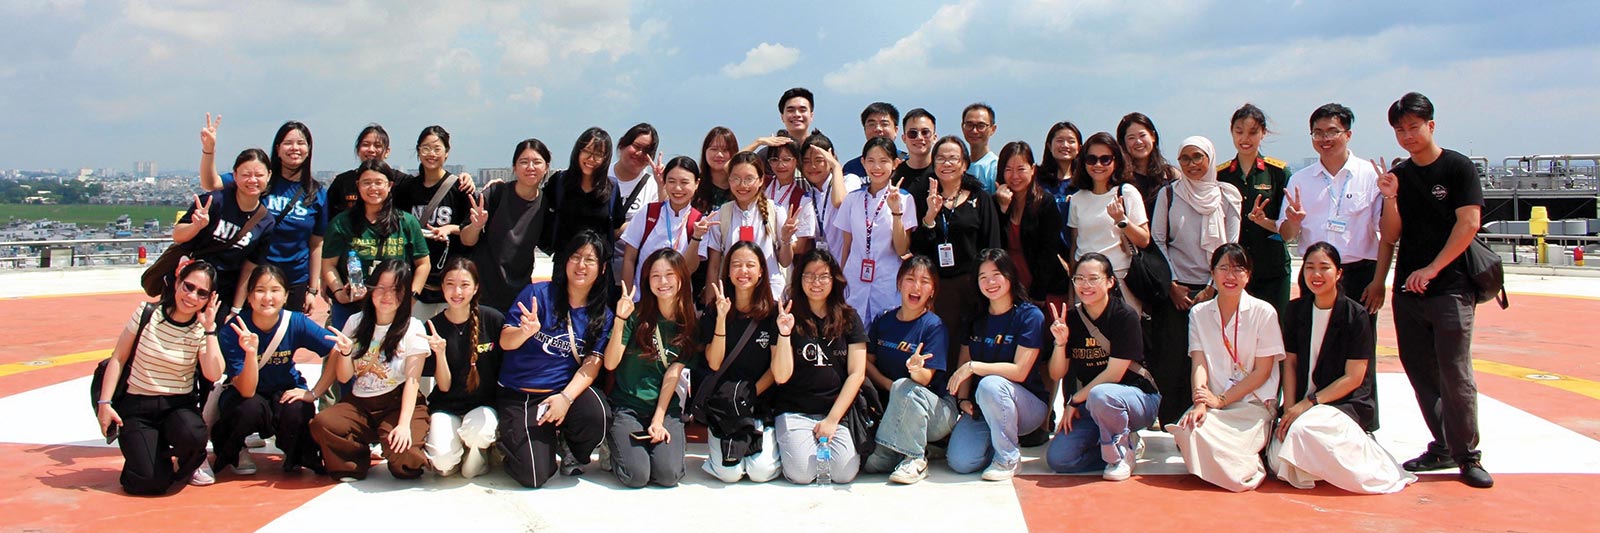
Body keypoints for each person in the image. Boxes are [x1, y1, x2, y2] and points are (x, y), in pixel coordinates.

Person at [1378, 92, 1493, 488]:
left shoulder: (1458, 168)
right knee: (1420, 370)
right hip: (1409, 292)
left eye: (1414, 126)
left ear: (1431, 125)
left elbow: (1469, 224)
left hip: (1451, 287)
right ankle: (1443, 444)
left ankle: (1468, 456)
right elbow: (1390, 235)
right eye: (1400, 129)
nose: (1407, 135)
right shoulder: (1402, 175)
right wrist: (1390, 198)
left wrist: (1431, 269)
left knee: (1455, 373)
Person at [1268, 242, 1416, 493]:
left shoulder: (1355, 315)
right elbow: (1290, 363)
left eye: (1324, 268)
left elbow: (1354, 377)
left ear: (1338, 273)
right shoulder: (1296, 310)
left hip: (1340, 404)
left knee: (1304, 432)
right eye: (1310, 267)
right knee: (1278, 455)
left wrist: (1309, 403)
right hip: (1303, 404)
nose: (1316, 274)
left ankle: (1360, 446)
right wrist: (1290, 409)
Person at [496, 231, 615, 488]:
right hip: (522, 395)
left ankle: (570, 446)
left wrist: (565, 398)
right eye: (575, 257)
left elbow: (591, 364)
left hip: (561, 394)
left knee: (598, 416)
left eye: (590, 260)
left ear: (603, 268)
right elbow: (505, 341)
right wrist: (525, 331)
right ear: (565, 261)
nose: (581, 265)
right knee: (535, 476)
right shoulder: (537, 294)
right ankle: (508, 437)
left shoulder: (602, 315)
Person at [95, 260, 225, 494]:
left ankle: (183, 462)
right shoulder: (146, 314)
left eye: (202, 293)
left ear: (210, 298)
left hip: (177, 407)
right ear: (177, 283)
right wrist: (104, 404)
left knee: (194, 434)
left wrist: (210, 329)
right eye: (188, 286)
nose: (192, 296)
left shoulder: (201, 329)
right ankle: (151, 457)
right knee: (150, 483)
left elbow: (213, 373)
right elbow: (118, 359)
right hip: (138, 407)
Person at [1165, 244, 1283, 492]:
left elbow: (1263, 372)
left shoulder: (1264, 312)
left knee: (1227, 456)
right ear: (1213, 272)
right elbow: (1198, 361)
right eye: (1224, 268)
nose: (1231, 276)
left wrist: (1221, 399)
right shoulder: (1199, 313)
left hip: (1253, 403)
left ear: (1248, 275)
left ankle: (1248, 463)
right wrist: (1200, 402)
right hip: (1214, 405)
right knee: (1191, 431)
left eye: (1239, 269)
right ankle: (1238, 459)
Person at [308, 260, 432, 482]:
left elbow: (413, 381)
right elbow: (344, 377)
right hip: (361, 403)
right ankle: (355, 459)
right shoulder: (355, 322)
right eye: (380, 288)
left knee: (406, 458)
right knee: (323, 423)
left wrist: (403, 425)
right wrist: (345, 354)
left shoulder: (413, 327)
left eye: (395, 290)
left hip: (397, 401)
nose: (386, 296)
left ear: (405, 294)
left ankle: (394, 442)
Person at [1149, 136, 1243, 424]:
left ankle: (1211, 414)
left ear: (1210, 158)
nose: (1191, 165)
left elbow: (1231, 245)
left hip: (1216, 289)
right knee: (1174, 356)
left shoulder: (1227, 195)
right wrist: (1173, 285)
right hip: (1178, 289)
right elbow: (1158, 240)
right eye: (1185, 158)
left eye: (1197, 157)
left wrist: (1213, 288)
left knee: (1211, 355)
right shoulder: (1169, 195)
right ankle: (1174, 419)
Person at [212, 265, 338, 477]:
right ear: (249, 297)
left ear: (286, 295)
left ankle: (294, 454)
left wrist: (314, 393)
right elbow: (246, 391)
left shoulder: (295, 321)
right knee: (247, 410)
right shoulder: (234, 329)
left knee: (298, 408)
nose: (267, 297)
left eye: (275, 290)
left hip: (283, 390)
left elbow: (335, 350)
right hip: (248, 393)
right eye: (260, 290)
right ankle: (235, 450)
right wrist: (250, 353)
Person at [1043, 253, 1160, 480]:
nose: (1086, 285)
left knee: (1102, 394)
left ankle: (1119, 454)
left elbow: (1114, 375)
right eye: (1079, 279)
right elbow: (1056, 373)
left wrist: (1075, 399)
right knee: (1059, 459)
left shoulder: (1124, 316)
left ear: (1110, 282)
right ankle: (1127, 444)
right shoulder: (1072, 318)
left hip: (1137, 399)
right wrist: (1060, 342)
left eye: (1093, 279)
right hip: (1094, 402)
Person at [199, 117, 327, 314]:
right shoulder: (259, 178)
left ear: (309, 149)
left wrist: (312, 289)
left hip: (293, 281)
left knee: (284, 341)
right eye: (288, 143)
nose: (295, 148)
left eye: (301, 143)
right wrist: (209, 150)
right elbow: (211, 183)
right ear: (277, 149)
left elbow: (316, 244)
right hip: (252, 277)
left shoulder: (316, 193)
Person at [1279, 103, 1394, 322]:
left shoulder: (1370, 176)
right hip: (1315, 273)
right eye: (1318, 133)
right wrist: (1294, 222)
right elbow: (1286, 234)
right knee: (1316, 344)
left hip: (1359, 274)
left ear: (1348, 134)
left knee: (1359, 344)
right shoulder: (1300, 180)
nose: (1325, 139)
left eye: (1332, 131)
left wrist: (1379, 282)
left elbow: (1387, 232)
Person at [944, 249, 1048, 481]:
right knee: (961, 462)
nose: (990, 282)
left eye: (996, 274)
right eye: (983, 277)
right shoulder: (975, 317)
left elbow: (1020, 372)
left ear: (1010, 275)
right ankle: (997, 442)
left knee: (991, 384)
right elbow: (963, 363)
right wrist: (962, 400)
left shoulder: (1029, 316)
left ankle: (1008, 458)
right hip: (984, 405)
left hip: (1026, 405)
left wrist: (975, 367)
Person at [771, 250, 869, 484]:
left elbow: (857, 373)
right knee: (802, 474)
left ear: (834, 279)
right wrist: (784, 333)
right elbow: (781, 376)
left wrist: (833, 420)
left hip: (836, 410)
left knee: (843, 474)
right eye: (809, 275)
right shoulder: (787, 315)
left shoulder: (849, 318)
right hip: (795, 410)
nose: (816, 282)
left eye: (823, 276)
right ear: (799, 278)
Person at [602, 249, 698, 488]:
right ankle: (614, 449)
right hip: (627, 406)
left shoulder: (688, 323)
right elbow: (610, 363)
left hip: (665, 409)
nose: (662, 282)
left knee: (668, 475)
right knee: (636, 476)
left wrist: (658, 419)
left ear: (681, 279)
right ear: (646, 280)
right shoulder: (634, 315)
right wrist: (620, 319)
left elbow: (673, 374)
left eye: (669, 274)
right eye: (655, 275)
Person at [861, 256, 955, 484]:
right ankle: (901, 449)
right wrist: (887, 384)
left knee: (906, 386)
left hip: (936, 411)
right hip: (893, 406)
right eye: (910, 279)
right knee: (872, 467)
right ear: (899, 283)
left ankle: (914, 458)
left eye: (925, 281)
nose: (916, 287)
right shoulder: (883, 320)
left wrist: (915, 370)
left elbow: (925, 379)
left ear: (932, 291)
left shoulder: (934, 326)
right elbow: (866, 362)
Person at [699, 241, 782, 483]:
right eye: (736, 264)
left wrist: (750, 394)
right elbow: (714, 363)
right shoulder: (715, 310)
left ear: (761, 272)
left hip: (759, 402)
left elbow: (775, 369)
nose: (742, 271)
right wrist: (722, 319)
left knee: (761, 472)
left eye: (749, 265)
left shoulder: (774, 313)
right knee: (729, 474)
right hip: (723, 405)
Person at [913, 136, 1002, 349]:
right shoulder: (924, 198)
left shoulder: (980, 198)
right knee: (941, 343)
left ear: (964, 164)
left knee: (973, 343)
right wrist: (930, 217)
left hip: (973, 284)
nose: (946, 164)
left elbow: (992, 244)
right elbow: (917, 248)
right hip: (939, 287)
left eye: (953, 158)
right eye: (940, 158)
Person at [320, 159, 430, 330]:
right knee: (347, 353)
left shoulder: (406, 222)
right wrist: (339, 292)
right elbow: (329, 264)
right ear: (358, 185)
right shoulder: (341, 223)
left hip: (392, 306)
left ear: (390, 185)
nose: (373, 188)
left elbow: (423, 263)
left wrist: (411, 296)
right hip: (352, 307)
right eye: (367, 183)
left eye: (379, 182)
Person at [421, 258, 505, 479]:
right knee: (444, 465)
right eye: (450, 284)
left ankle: (479, 453)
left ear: (476, 287)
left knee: (477, 438)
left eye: (464, 285)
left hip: (483, 406)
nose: (456, 291)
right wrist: (439, 352)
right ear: (442, 287)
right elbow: (444, 385)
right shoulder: (433, 326)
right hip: (447, 406)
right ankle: (458, 448)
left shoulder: (492, 319)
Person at [174, 148, 278, 323]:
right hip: (189, 284)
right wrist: (196, 226)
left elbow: (249, 268)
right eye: (246, 174)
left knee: (210, 342)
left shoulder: (266, 222)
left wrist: (236, 308)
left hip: (222, 293)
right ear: (235, 175)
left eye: (258, 175)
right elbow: (177, 235)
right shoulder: (214, 201)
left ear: (268, 176)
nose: (252, 180)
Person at [702, 151, 808, 302]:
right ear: (729, 180)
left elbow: (785, 262)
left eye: (749, 179)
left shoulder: (776, 212)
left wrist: (786, 240)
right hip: (733, 298)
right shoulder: (721, 215)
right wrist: (710, 304)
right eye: (736, 179)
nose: (742, 185)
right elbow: (714, 265)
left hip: (771, 298)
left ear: (760, 180)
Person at [393, 126, 474, 320]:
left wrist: (450, 229)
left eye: (437, 148)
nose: (431, 154)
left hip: (451, 282)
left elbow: (472, 228)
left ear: (447, 152)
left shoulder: (460, 187)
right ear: (418, 151)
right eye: (426, 148)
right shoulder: (406, 188)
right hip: (416, 281)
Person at [1218, 104, 1293, 312]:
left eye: (1253, 132)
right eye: (1239, 132)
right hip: (1234, 268)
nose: (1245, 139)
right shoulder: (1221, 175)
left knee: (1275, 329)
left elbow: (1287, 228)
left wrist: (1263, 221)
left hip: (1272, 267)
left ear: (1263, 133)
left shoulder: (1278, 173)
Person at [1067, 133, 1151, 312]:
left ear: (1116, 161)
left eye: (1105, 159)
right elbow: (1075, 245)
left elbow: (1144, 239)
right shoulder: (1077, 199)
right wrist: (1072, 287)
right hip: (1085, 283)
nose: (1098, 165)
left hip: (1119, 278)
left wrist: (1122, 220)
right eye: (1091, 159)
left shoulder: (1126, 192)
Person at [837, 137, 915, 325]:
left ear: (895, 163)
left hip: (887, 280)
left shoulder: (905, 199)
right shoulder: (852, 199)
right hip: (854, 278)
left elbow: (902, 249)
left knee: (884, 334)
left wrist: (896, 211)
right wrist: (840, 280)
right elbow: (846, 245)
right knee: (852, 335)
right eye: (871, 161)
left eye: (883, 161)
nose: (877, 167)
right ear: (863, 163)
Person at [471, 139, 554, 311]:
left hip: (520, 293)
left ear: (546, 167)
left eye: (537, 162)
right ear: (514, 167)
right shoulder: (496, 193)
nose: (530, 167)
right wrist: (476, 226)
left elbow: (550, 243)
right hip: (483, 291)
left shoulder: (546, 204)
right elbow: (467, 239)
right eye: (523, 162)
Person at [993, 141, 1070, 307]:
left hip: (1045, 285)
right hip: (1009, 284)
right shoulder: (995, 203)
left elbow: (1049, 251)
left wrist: (1038, 292)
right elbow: (994, 245)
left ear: (1033, 169)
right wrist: (1003, 210)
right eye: (1008, 170)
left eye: (1021, 169)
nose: (1015, 176)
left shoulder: (1045, 202)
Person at [621, 156, 706, 295]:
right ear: (664, 182)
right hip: (641, 300)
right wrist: (627, 295)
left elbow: (689, 269)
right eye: (671, 181)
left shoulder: (699, 221)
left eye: (685, 182)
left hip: (677, 303)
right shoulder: (648, 212)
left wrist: (697, 237)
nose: (678, 188)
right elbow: (629, 258)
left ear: (697, 184)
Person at [545, 127, 621, 253]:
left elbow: (617, 225)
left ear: (606, 158)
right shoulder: (560, 182)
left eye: (598, 154)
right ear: (578, 151)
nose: (591, 159)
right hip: (564, 260)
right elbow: (536, 205)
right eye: (587, 151)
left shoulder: (612, 188)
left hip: (597, 263)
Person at [798, 132, 859, 260]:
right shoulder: (807, 197)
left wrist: (836, 166)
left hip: (848, 265)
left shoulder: (849, 180)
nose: (813, 166)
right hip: (822, 269)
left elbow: (839, 201)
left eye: (819, 160)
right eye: (807, 161)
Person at [327, 124, 394, 220]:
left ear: (387, 151)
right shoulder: (342, 181)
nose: (371, 150)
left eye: (377, 145)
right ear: (358, 150)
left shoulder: (400, 180)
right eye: (365, 145)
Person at [1118, 112, 1180, 215]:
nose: (1138, 141)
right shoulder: (1120, 178)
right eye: (1131, 138)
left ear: (1153, 136)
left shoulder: (1171, 174)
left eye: (1142, 135)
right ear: (1123, 143)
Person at [1037, 121, 1083, 255]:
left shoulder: (1086, 182)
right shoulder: (1037, 180)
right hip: (1045, 256)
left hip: (1080, 255)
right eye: (1060, 141)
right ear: (1049, 146)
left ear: (1079, 147)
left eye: (1071, 141)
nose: (1065, 145)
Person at [894, 109, 939, 213]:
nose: (919, 138)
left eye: (925, 132)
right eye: (912, 133)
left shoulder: (943, 172)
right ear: (904, 138)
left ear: (934, 137)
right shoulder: (894, 176)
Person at [842, 102, 902, 178]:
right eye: (872, 124)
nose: (878, 129)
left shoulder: (908, 161)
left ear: (896, 130)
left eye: (884, 124)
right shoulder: (852, 167)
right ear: (865, 130)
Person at [961, 103, 1001, 194]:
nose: (974, 131)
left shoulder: (995, 167)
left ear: (993, 129)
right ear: (962, 127)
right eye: (969, 125)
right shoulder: (958, 165)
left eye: (981, 126)